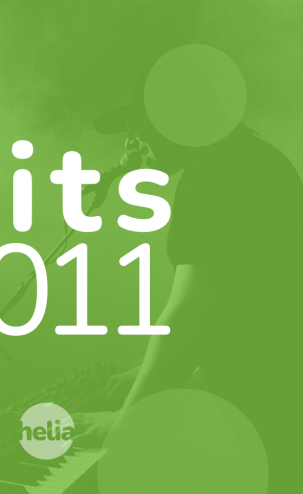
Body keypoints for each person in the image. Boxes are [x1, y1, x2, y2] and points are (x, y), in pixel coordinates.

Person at [74, 92, 303, 492]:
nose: (131, 143)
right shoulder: (256, 158)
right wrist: (152, 374)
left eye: (135, 127)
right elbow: (246, 307)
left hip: (264, 416)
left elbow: (190, 316)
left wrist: (127, 420)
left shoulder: (213, 177)